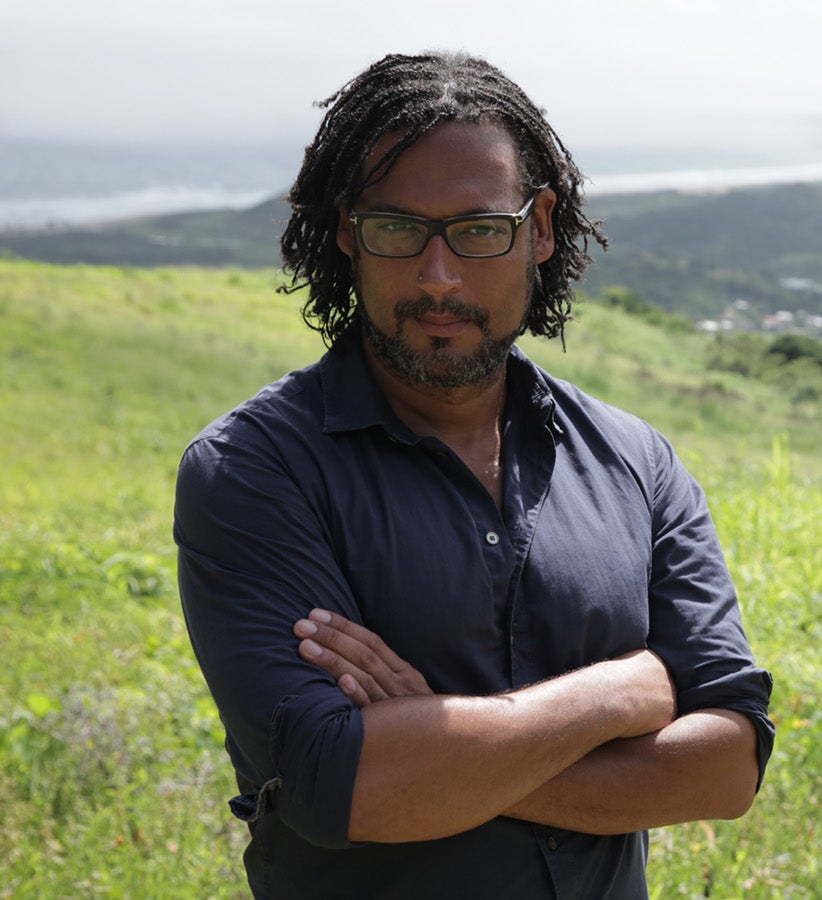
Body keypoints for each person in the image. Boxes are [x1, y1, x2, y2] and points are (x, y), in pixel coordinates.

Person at [174, 52, 774, 898]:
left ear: (540, 228)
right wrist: (616, 695)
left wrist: (438, 748)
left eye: (480, 230)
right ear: (348, 232)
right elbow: (340, 788)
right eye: (397, 229)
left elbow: (725, 769)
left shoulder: (634, 461)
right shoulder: (254, 472)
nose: (438, 276)